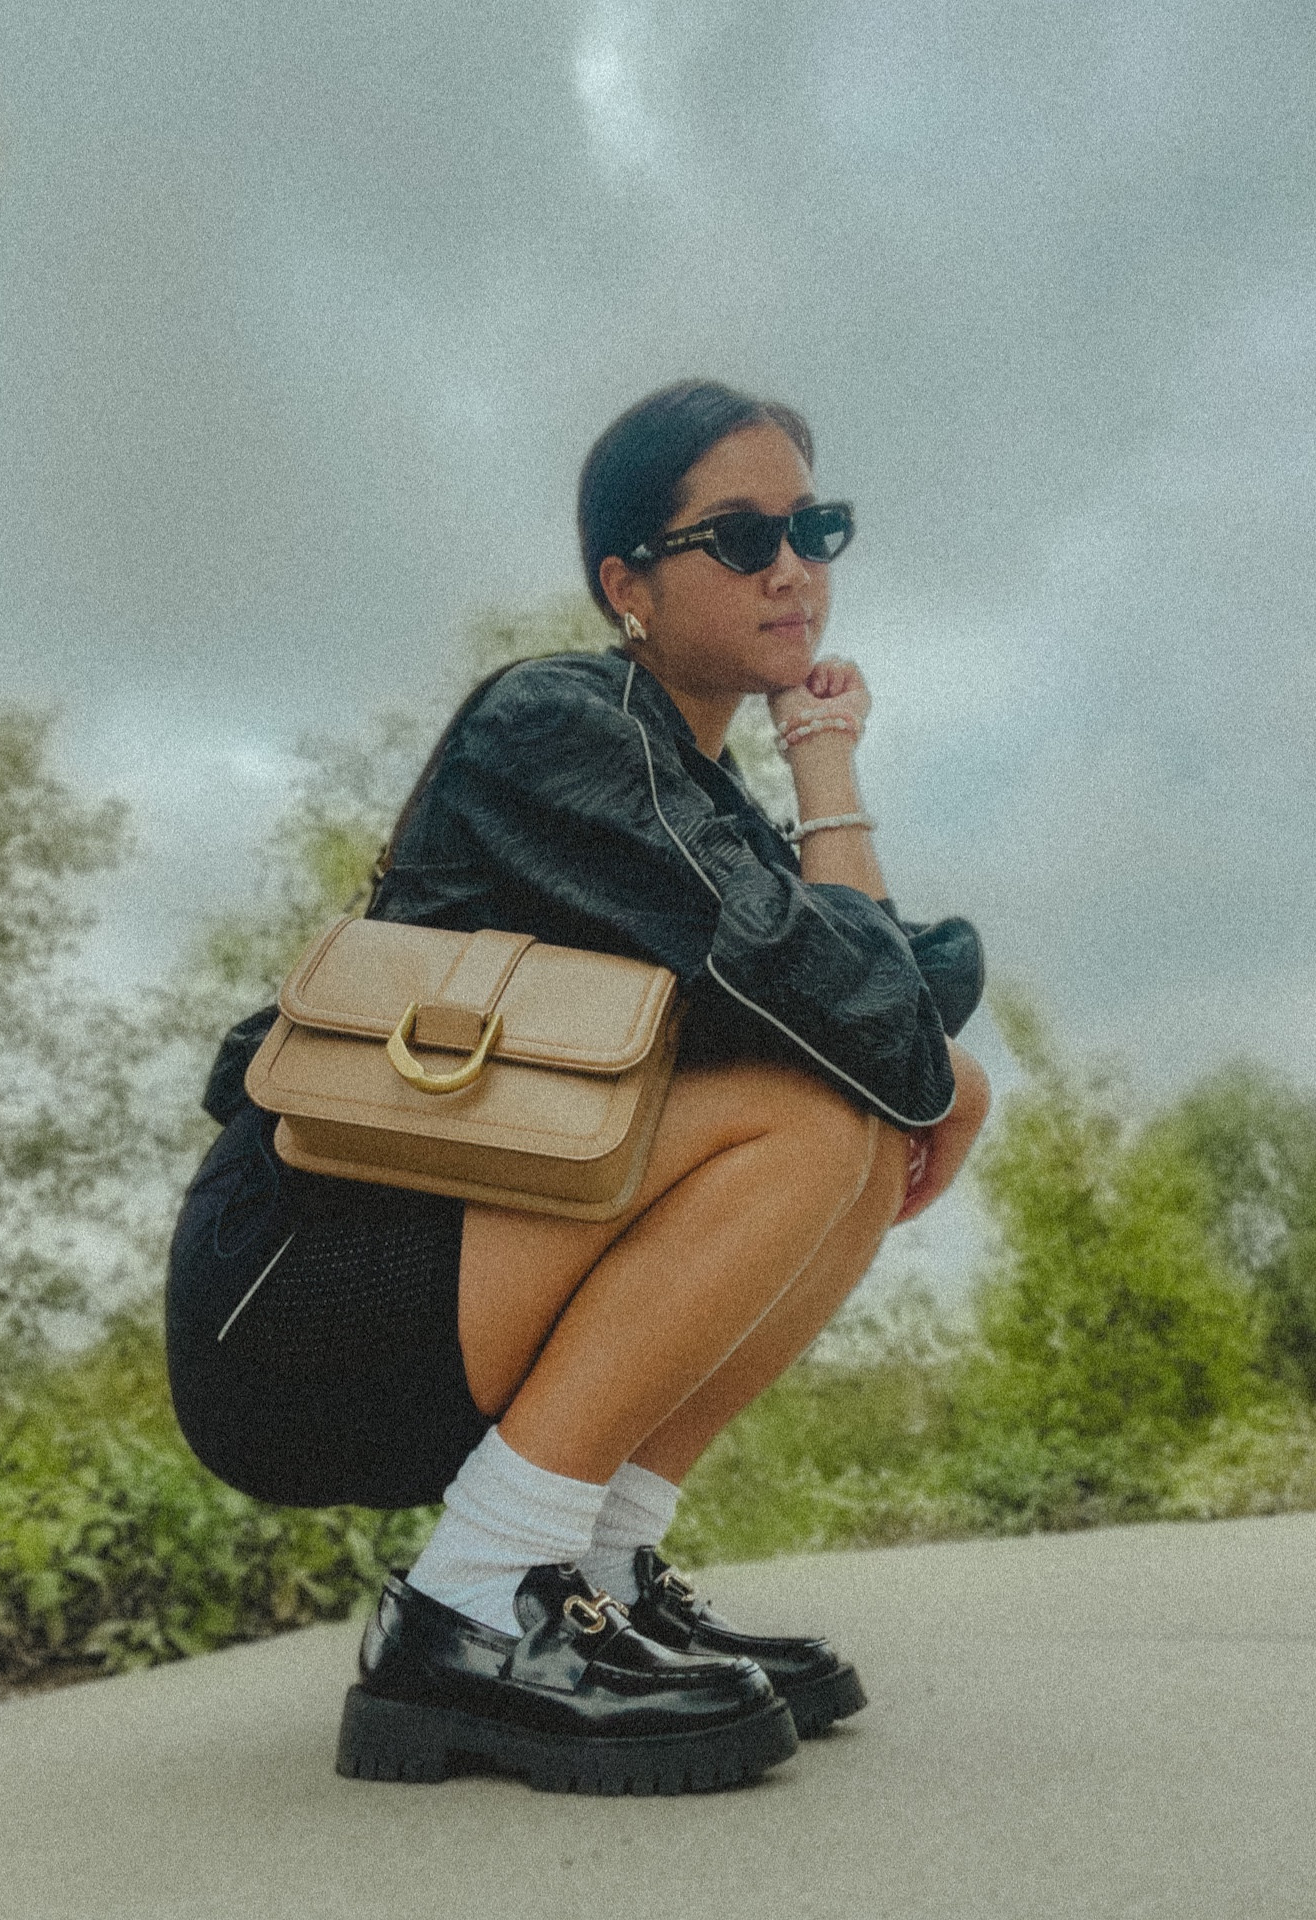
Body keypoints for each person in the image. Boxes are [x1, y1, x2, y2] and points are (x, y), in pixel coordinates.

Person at [165, 378, 991, 1796]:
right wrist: (841, 792)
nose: (794, 566)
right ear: (627, 585)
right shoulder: (563, 725)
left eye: (817, 527)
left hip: (445, 1280)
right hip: (302, 1295)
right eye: (742, 537)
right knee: (816, 1111)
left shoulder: (700, 787)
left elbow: (891, 1011)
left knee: (859, 1124)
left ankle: (594, 1576)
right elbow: (864, 1018)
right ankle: (473, 1604)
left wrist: (814, 768)